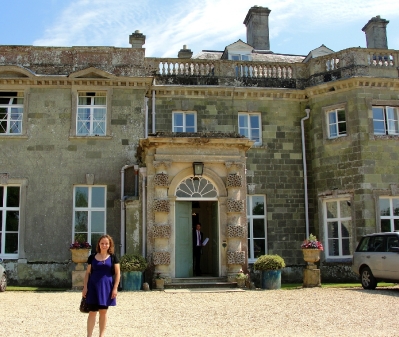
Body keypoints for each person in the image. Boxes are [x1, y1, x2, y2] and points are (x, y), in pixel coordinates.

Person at [82, 235, 120, 337]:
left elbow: (118, 273)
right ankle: (89, 335)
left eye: (106, 243)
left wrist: (115, 288)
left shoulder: (113, 257)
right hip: (93, 287)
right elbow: (87, 273)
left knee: (103, 312)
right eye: (102, 243)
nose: (104, 245)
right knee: (92, 312)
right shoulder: (92, 257)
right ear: (99, 244)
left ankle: (101, 335)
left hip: (106, 288)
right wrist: (85, 287)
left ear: (109, 245)